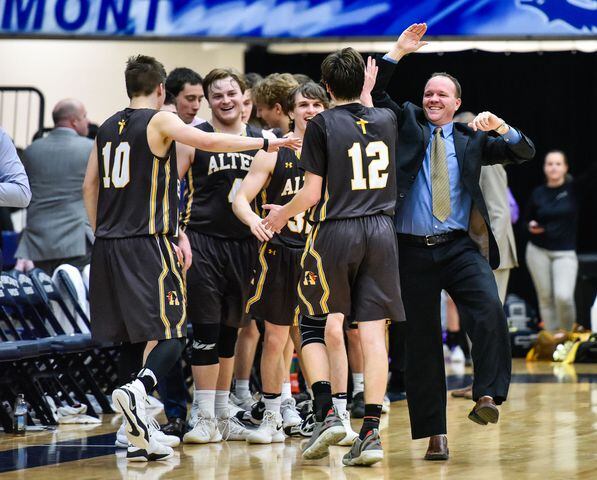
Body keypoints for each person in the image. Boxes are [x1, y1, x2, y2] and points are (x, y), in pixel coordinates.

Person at [83, 55, 299, 462]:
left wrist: (101, 231)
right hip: (149, 241)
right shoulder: (160, 121)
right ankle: (140, 391)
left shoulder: (108, 126)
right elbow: (210, 142)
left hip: (109, 244)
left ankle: (133, 433)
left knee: (132, 336)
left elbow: (89, 185)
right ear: (162, 89)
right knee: (174, 332)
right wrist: (267, 141)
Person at [368, 23, 535, 460]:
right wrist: (398, 52)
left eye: (443, 94)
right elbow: (378, 94)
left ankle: (487, 397)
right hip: (410, 249)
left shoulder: (472, 138)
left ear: (457, 103)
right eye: (429, 93)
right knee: (420, 343)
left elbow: (524, 152)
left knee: (489, 310)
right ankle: (434, 435)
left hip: (460, 245)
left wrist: (502, 128)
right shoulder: (406, 123)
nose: (434, 99)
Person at [262, 47, 405, 467]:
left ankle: (326, 413)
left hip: (335, 231)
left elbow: (310, 194)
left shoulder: (322, 124)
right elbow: (366, 113)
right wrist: (376, 78)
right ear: (363, 84)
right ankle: (372, 432)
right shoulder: (386, 118)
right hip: (381, 230)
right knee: (374, 335)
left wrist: (279, 215)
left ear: (325, 88)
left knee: (310, 324)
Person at [177, 68, 289, 445]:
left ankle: (222, 412)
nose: (225, 100)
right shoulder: (195, 138)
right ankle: (203, 413)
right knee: (206, 329)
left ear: (246, 98)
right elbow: (169, 189)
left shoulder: (266, 140)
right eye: (217, 95)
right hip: (203, 241)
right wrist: (177, 233)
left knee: (232, 330)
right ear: (209, 101)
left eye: (231, 93)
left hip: (247, 246)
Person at [233, 82, 343, 444]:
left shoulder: (335, 151)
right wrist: (254, 222)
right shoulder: (273, 151)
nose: (310, 110)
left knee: (321, 336)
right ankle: (272, 413)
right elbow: (240, 199)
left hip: (319, 252)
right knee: (277, 337)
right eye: (303, 104)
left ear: (326, 108)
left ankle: (328, 412)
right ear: (290, 110)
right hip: (280, 252)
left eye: (316, 104)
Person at [15, 99, 93, 274]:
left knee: (48, 296)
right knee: (76, 296)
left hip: (38, 242)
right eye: (84, 116)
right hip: (76, 240)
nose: (87, 121)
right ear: (74, 121)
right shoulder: (90, 148)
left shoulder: (31, 150)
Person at [525, 150, 596, 332]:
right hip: (537, 251)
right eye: (549, 164)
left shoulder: (573, 189)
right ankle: (551, 342)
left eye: (558, 164)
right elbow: (526, 220)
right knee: (545, 298)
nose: (554, 167)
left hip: (564, 252)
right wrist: (530, 226)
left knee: (563, 296)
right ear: (544, 168)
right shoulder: (538, 193)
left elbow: (591, 174)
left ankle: (566, 338)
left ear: (565, 168)